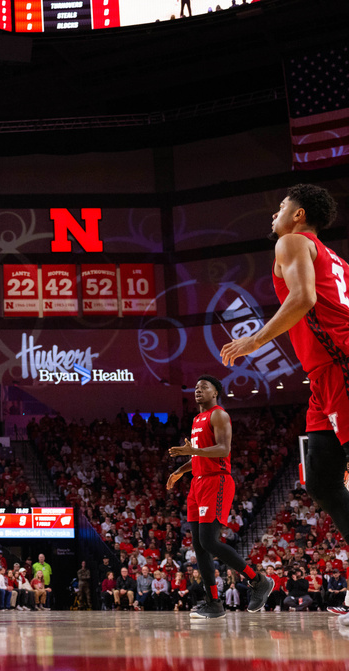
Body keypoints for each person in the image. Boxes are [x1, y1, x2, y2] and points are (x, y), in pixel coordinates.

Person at [219, 185, 349, 618]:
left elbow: (303, 298)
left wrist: (254, 339)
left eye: (280, 206)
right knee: (322, 482)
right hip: (324, 378)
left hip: (341, 367)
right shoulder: (337, 259)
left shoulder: (292, 241)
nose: (274, 212)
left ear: (299, 215)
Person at [167, 375, 274, 619]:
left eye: (204, 387)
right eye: (195, 387)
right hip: (198, 483)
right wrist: (179, 471)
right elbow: (198, 457)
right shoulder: (196, 419)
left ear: (215, 393)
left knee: (209, 541)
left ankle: (258, 581)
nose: (198, 390)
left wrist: (192, 451)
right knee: (199, 546)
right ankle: (214, 603)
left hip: (217, 481)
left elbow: (223, 449)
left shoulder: (219, 414)